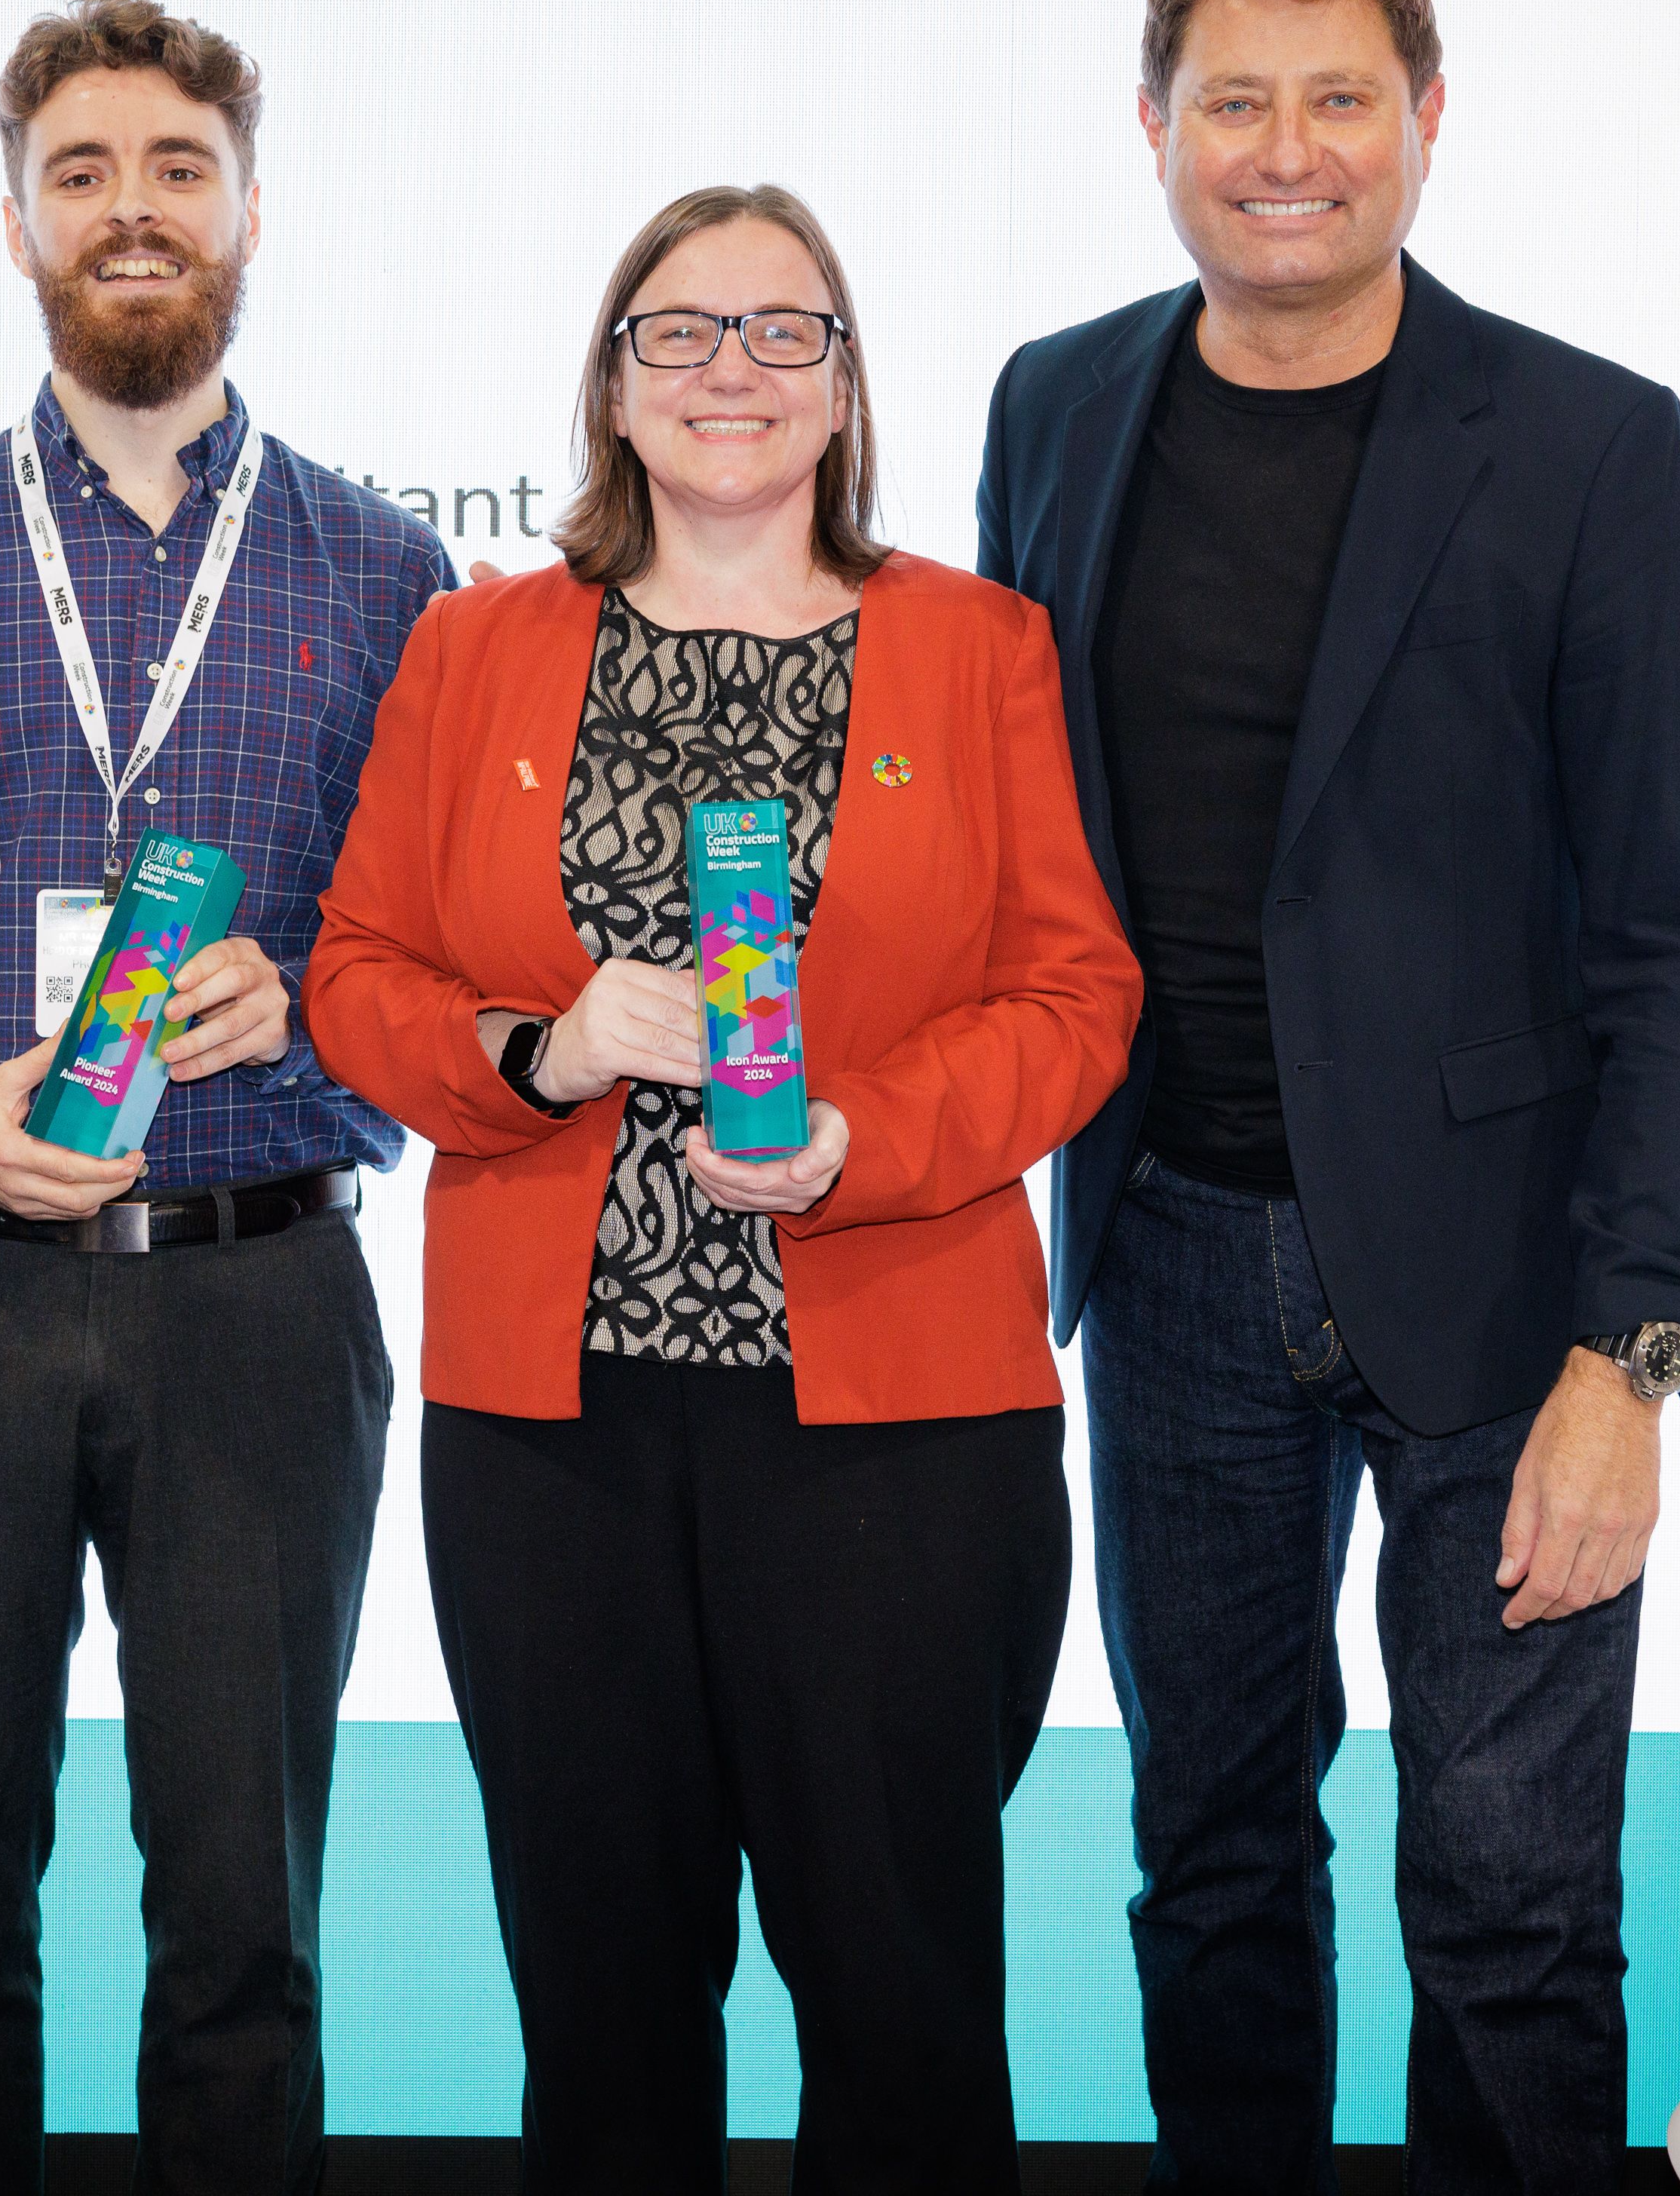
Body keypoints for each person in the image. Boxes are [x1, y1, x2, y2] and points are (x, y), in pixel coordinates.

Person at [976, 0, 1680, 2191]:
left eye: (1338, 97)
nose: (1285, 148)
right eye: (1236, 99)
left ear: (1426, 118)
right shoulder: (1057, 405)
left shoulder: (1594, 445)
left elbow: (1675, 946)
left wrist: (1637, 1349)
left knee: (1510, 1910)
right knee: (1211, 1868)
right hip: (1176, 1263)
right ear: (1154, 124)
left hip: (1511, 1292)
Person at [307, 185, 1140, 2194]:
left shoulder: (980, 648)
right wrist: (545, 1052)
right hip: (557, 1439)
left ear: (851, 387)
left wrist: (872, 1137)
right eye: (681, 333)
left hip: (896, 1441)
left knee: (904, 2004)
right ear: (610, 386)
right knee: (601, 2009)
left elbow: (1073, 995)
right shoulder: (477, 648)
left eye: (790, 332)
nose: (735, 373)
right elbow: (358, 976)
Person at [0, 0, 448, 2195]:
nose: (131, 210)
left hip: (257, 1301)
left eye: (176, 169)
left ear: (254, 212)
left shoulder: (387, 571)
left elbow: (437, 975)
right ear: (16, 222)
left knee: (243, 1927)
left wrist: (320, 1010)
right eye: (83, 173)